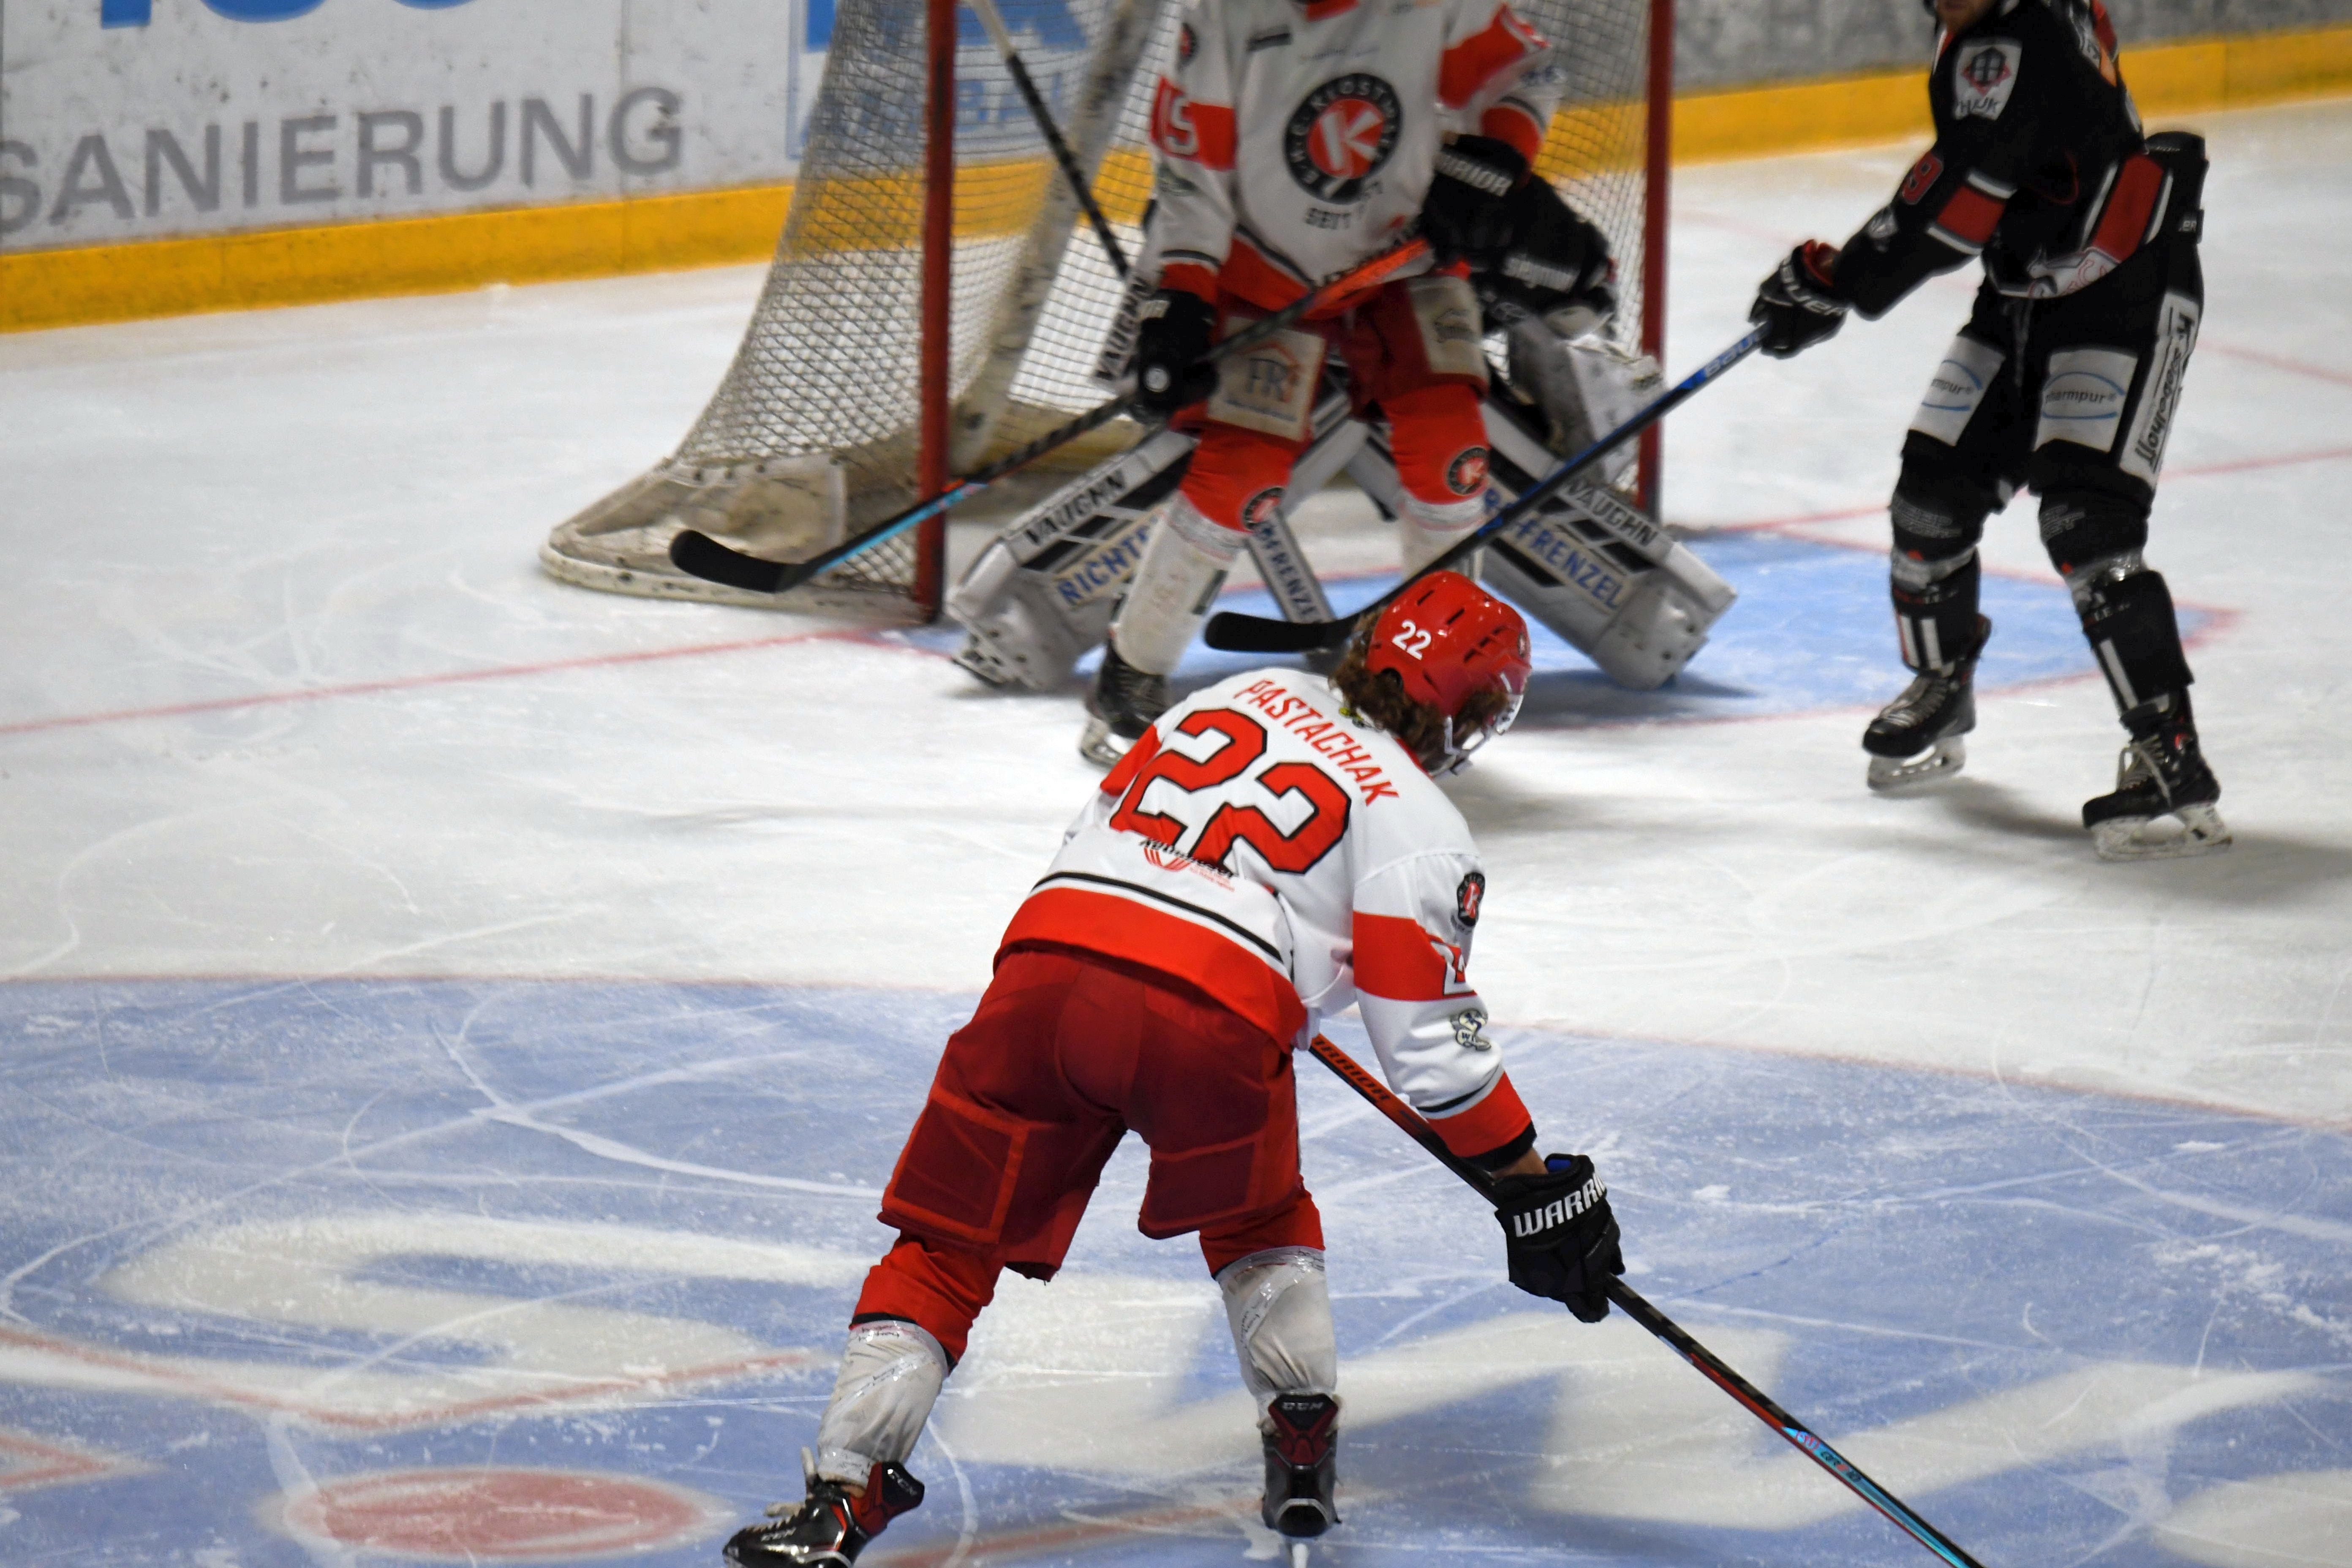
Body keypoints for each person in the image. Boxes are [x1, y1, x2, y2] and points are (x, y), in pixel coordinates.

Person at [724, 573, 1624, 1566]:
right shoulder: (1418, 818)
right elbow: (1431, 1044)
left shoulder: (1235, 694)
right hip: (1211, 1013)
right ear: (1471, 712)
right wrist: (1532, 1183)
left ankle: (838, 1500)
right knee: (1258, 1217)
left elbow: (1097, 835)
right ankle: (1301, 1445)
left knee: (946, 1245)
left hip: (1047, 964)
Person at [1747, 0, 2226, 860]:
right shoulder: (1997, 30)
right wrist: (1842, 279)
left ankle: (2170, 751)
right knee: (1930, 501)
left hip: (2124, 290)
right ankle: (1942, 685)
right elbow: (1982, 178)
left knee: (2088, 525)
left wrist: (1841, 282)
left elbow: (1961, 199)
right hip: (2022, 294)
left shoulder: (2013, 40)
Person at [1080, 0, 1567, 764]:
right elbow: (1190, 175)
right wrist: (1182, 294)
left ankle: (1427, 696)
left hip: (1405, 256)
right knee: (1241, 470)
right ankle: (1130, 677)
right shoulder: (1224, 15)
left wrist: (1493, 160)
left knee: (1452, 451)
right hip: (1263, 266)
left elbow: (1525, 70)